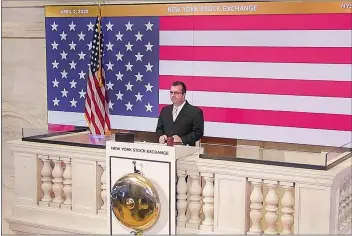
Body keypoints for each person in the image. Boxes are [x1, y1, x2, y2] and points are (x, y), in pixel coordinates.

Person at [156, 81, 204, 146]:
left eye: (176, 93)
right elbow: (159, 129)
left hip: (186, 151)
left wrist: (182, 139)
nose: (173, 95)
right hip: (166, 151)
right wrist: (161, 136)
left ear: (183, 95)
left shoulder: (195, 112)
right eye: (171, 92)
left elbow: (198, 133)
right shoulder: (165, 110)